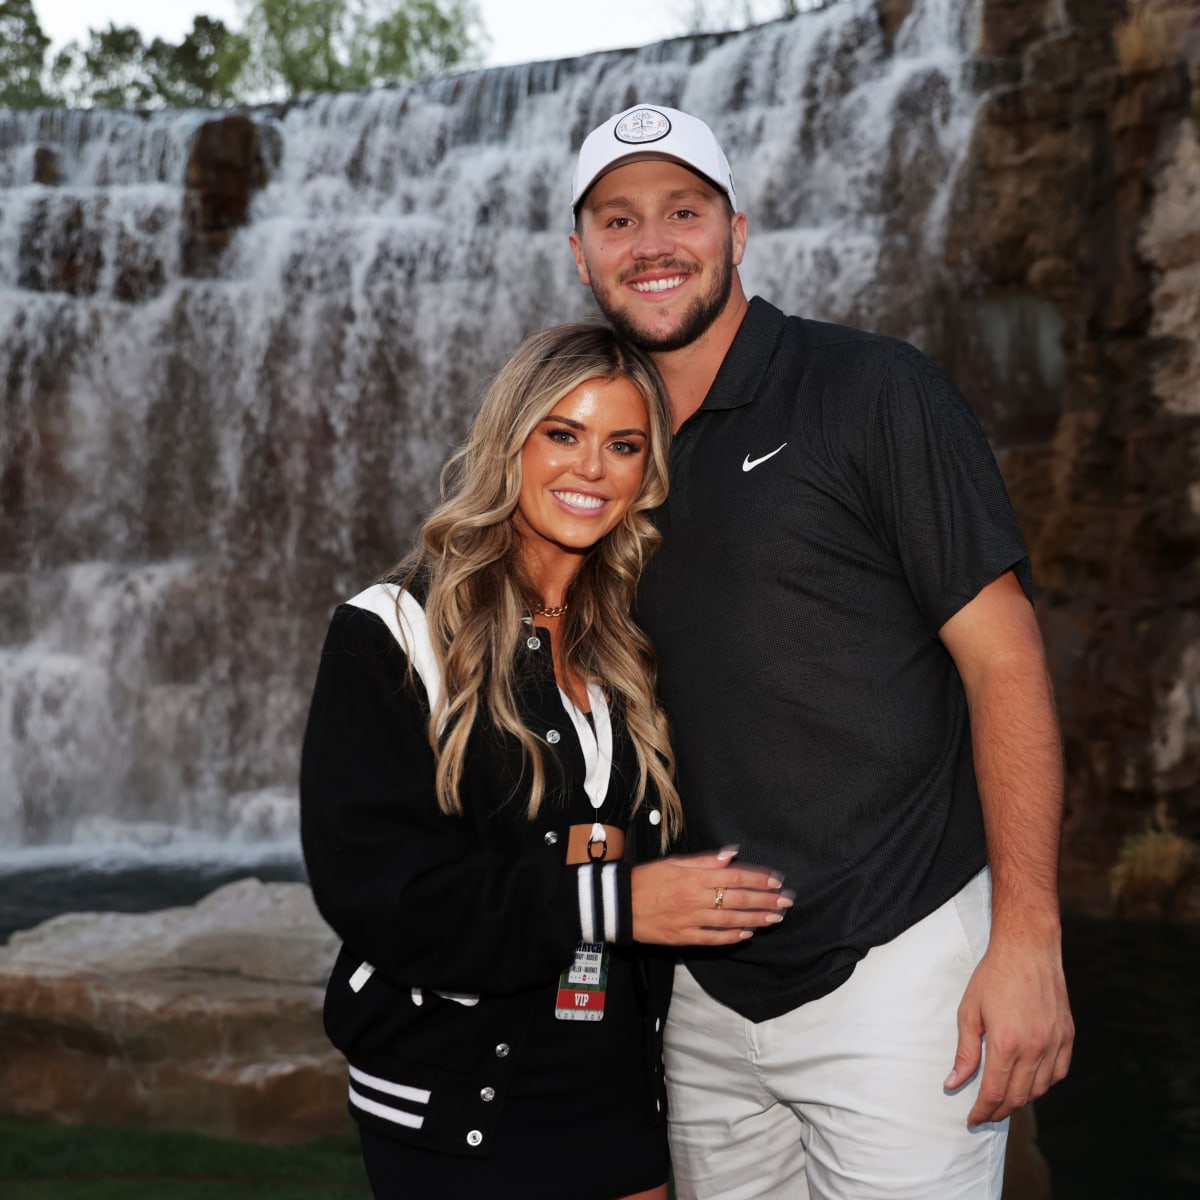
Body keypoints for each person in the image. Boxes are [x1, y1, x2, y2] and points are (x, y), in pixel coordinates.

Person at [566, 104, 1075, 1200]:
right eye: (618, 219)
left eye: (683, 211)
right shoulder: (600, 460)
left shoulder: (873, 390)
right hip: (701, 1000)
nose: (651, 243)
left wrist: (1028, 938)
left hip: (897, 968)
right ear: (581, 254)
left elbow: (1007, 662)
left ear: (737, 230)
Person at [299, 323, 791, 1200]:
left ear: (648, 472)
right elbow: (380, 893)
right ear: (510, 443)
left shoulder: (636, 646)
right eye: (562, 434)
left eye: (623, 445)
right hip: (454, 1106)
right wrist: (618, 902)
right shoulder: (393, 633)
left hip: (616, 1096)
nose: (589, 469)